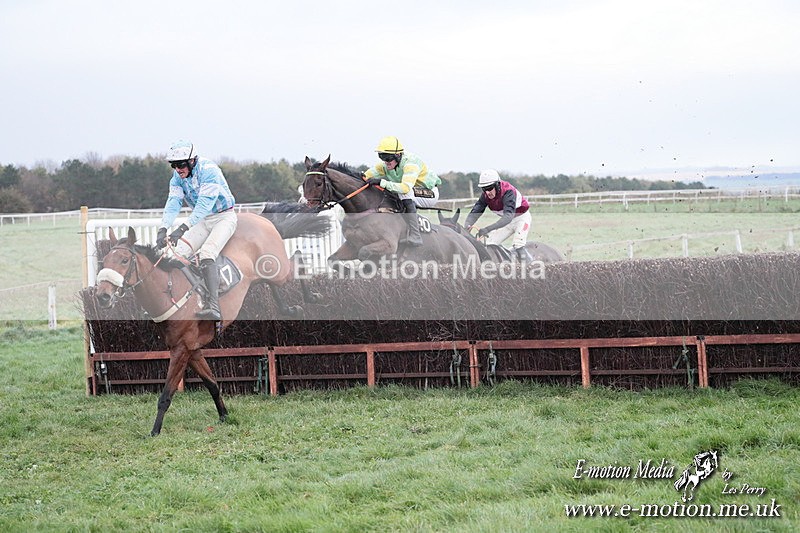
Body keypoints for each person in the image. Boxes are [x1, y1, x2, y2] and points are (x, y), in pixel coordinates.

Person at [156, 140, 237, 321]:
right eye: (174, 165)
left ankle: (214, 306)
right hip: (203, 220)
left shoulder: (209, 171)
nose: (177, 169)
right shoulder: (177, 178)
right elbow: (173, 203)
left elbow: (203, 206)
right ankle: (192, 294)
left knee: (207, 253)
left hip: (223, 217)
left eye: (181, 164)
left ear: (192, 161)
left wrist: (182, 229)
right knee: (176, 254)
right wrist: (163, 228)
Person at [363, 136, 441, 247]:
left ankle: (416, 235)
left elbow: (405, 188)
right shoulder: (386, 165)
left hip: (429, 193)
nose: (386, 162)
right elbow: (366, 176)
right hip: (412, 192)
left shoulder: (411, 163)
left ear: (398, 155)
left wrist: (382, 182)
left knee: (404, 193)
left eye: (388, 158)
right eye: (382, 157)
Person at [464, 169, 533, 261]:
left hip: (521, 218)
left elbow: (508, 217)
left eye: (489, 188)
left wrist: (487, 229)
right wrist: (467, 224)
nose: (487, 192)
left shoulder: (508, 192)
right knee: (488, 244)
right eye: (484, 189)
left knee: (518, 246)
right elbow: (477, 210)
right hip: (507, 222)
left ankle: (532, 269)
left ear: (497, 185)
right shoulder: (485, 195)